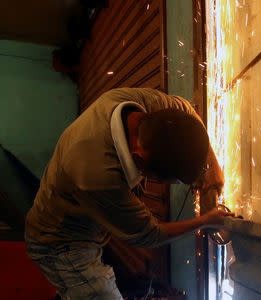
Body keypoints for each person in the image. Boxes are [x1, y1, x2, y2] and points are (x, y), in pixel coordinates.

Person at [24, 88, 233, 299]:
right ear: (141, 161)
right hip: (61, 244)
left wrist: (213, 170)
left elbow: (187, 111)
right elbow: (150, 234)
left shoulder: (136, 103)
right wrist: (206, 221)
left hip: (87, 230)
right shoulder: (98, 174)